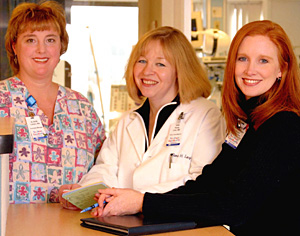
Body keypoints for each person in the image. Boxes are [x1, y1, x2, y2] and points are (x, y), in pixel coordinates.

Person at [93, 20, 300, 236]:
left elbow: (234, 206)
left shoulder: (284, 126)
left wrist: (143, 203)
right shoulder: (245, 123)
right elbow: (208, 183)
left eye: (263, 61)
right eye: (243, 59)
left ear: (282, 69)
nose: (250, 70)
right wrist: (139, 205)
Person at [59, 26, 225, 209]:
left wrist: (139, 200)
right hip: (125, 222)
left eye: (160, 64)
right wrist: (84, 193)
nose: (147, 71)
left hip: (176, 222)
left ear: (181, 71)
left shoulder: (206, 115)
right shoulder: (128, 121)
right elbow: (105, 169)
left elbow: (202, 181)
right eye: (142, 61)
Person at [2, 1, 106, 204]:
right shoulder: (2, 99)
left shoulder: (82, 107)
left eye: (50, 40)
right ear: (14, 46)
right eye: (31, 40)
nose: (41, 49)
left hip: (73, 228)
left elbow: (105, 168)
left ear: (61, 47)